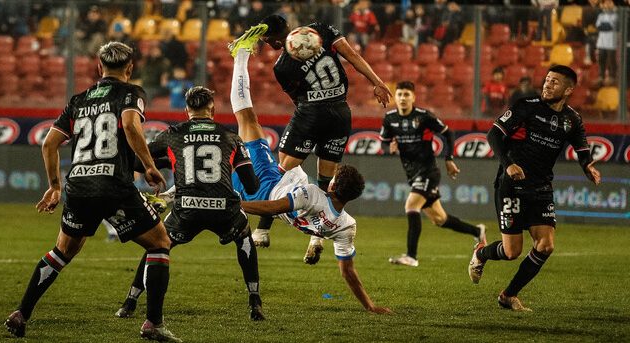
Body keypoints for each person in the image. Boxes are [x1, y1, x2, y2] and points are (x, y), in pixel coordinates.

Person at [4, 42, 181, 342]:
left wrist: (55, 186)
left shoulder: (78, 100)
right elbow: (129, 125)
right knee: (159, 243)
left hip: (79, 184)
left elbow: (48, 143)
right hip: (114, 184)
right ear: (130, 68)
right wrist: (149, 166)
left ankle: (21, 313)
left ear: (99, 68)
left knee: (63, 251)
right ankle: (153, 323)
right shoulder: (131, 93)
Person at [225, 26, 392, 314]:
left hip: (267, 183)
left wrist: (235, 205)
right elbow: (348, 272)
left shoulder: (310, 195)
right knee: (245, 137)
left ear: (333, 186)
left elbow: (272, 206)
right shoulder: (346, 225)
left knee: (247, 119)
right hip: (282, 180)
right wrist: (370, 306)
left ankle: (239, 56)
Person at [114, 85, 266, 321]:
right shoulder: (231, 137)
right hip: (224, 209)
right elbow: (253, 186)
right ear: (212, 109)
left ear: (187, 110)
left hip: (187, 210)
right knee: (244, 237)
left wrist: (168, 163)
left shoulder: (173, 134)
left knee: (157, 245)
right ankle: (255, 301)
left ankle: (129, 303)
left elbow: (137, 162)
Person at [468, 65, 601, 311]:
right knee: (511, 252)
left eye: (555, 82)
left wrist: (587, 166)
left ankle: (508, 295)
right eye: (547, 80)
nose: (548, 85)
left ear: (569, 89)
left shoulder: (572, 119)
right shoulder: (526, 105)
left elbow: (581, 147)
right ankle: (481, 253)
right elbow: (494, 135)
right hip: (512, 184)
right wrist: (508, 164)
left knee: (546, 245)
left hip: (541, 187)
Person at [380, 81, 486, 267]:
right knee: (440, 219)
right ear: (395, 97)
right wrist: (390, 148)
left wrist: (449, 158)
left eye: (407, 94)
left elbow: (448, 133)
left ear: (413, 97)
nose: (403, 98)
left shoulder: (424, 116)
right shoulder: (389, 119)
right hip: (412, 174)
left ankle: (411, 256)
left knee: (411, 205)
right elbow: (384, 142)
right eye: (400, 94)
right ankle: (478, 231)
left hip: (429, 171)